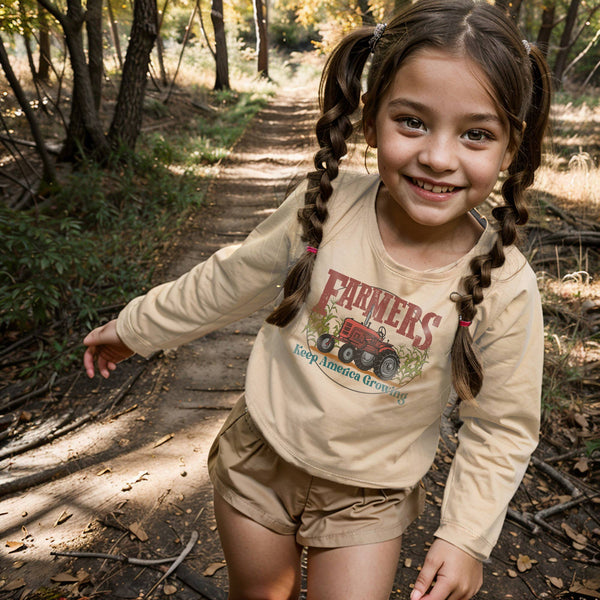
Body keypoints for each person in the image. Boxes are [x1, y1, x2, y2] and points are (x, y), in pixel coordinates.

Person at [83, 1, 552, 598]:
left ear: (510, 150)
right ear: (370, 118)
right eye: (411, 121)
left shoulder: (505, 286)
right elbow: (229, 279)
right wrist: (136, 328)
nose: (438, 156)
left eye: (476, 134)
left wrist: (464, 536)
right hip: (259, 461)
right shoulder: (324, 208)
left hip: (370, 501)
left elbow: (502, 426)